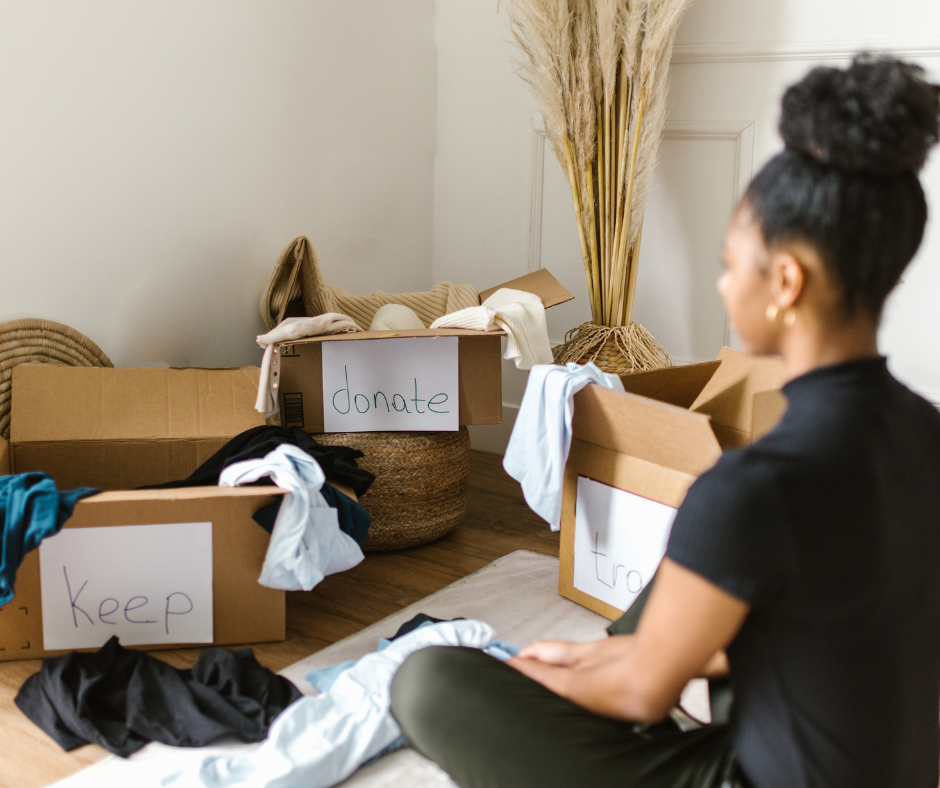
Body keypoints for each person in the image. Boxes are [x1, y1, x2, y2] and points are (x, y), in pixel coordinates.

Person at [389, 55, 940, 788]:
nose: (722, 283)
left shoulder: (757, 483)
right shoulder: (925, 432)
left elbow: (641, 695)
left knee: (426, 683)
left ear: (785, 282)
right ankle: (640, 651)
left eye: (729, 263)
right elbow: (845, 628)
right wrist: (607, 659)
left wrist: (543, 676)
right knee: (710, 569)